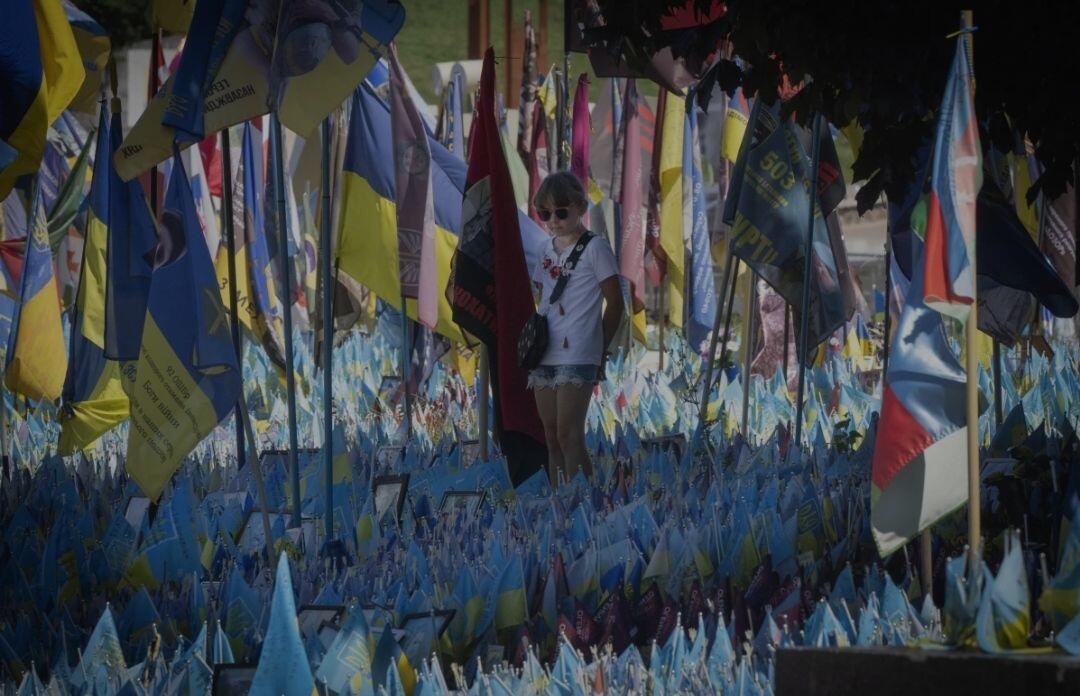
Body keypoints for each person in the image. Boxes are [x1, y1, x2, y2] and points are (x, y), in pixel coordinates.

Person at [527, 171, 624, 486]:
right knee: (551, 435)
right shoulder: (544, 248)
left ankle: (582, 502)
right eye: (545, 213)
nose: (553, 220)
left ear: (580, 208)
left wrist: (600, 347)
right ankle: (559, 501)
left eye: (561, 211)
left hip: (580, 350)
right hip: (545, 351)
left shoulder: (596, 248)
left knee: (570, 434)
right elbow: (543, 297)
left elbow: (616, 304)